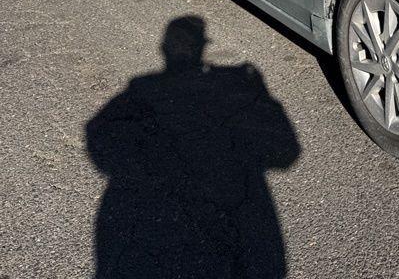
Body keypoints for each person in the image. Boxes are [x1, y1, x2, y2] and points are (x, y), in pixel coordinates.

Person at [86, 16, 300, 278]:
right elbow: (286, 152)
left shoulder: (142, 88)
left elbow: (99, 133)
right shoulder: (144, 88)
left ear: (164, 49)